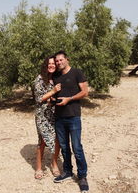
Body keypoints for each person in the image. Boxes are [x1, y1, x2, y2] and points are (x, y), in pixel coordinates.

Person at [53, 50, 89, 192]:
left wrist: (70, 99)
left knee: (77, 148)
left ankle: (82, 176)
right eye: (57, 61)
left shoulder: (77, 72)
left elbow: (85, 92)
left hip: (73, 116)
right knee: (64, 147)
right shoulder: (56, 76)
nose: (59, 62)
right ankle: (67, 171)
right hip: (59, 117)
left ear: (67, 59)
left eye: (61, 60)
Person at [33, 55, 61, 179]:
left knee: (57, 140)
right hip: (42, 115)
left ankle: (54, 163)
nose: (51, 65)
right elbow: (39, 98)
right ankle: (39, 168)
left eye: (53, 64)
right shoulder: (39, 79)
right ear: (46, 65)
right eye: (49, 63)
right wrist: (53, 91)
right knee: (42, 141)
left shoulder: (56, 78)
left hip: (55, 114)